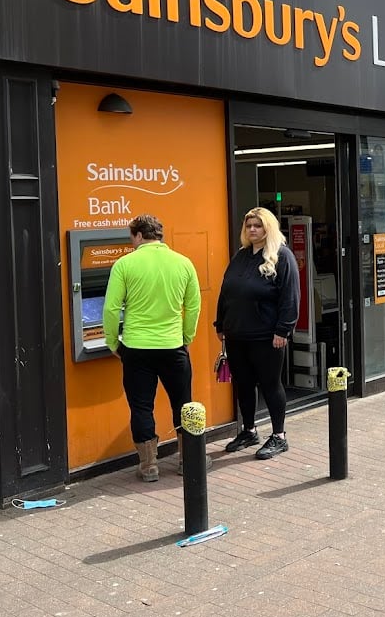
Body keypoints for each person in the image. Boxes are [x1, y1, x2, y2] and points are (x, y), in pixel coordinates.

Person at [103, 214, 202, 483]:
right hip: (173, 346)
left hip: (136, 349)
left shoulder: (124, 264)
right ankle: (187, 460)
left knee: (141, 407)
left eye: (131, 237)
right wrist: (186, 337)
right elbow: (193, 306)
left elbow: (111, 309)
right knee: (183, 403)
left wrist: (113, 342)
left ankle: (149, 466)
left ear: (138, 235)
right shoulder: (183, 263)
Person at [215, 207, 301, 460]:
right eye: (249, 225)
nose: (252, 229)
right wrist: (220, 325)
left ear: (268, 228)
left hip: (267, 336)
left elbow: (290, 297)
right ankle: (249, 431)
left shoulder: (282, 256)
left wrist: (283, 330)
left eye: (258, 225)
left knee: (270, 385)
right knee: (243, 384)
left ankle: (279, 436)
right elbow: (226, 292)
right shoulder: (241, 255)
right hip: (237, 334)